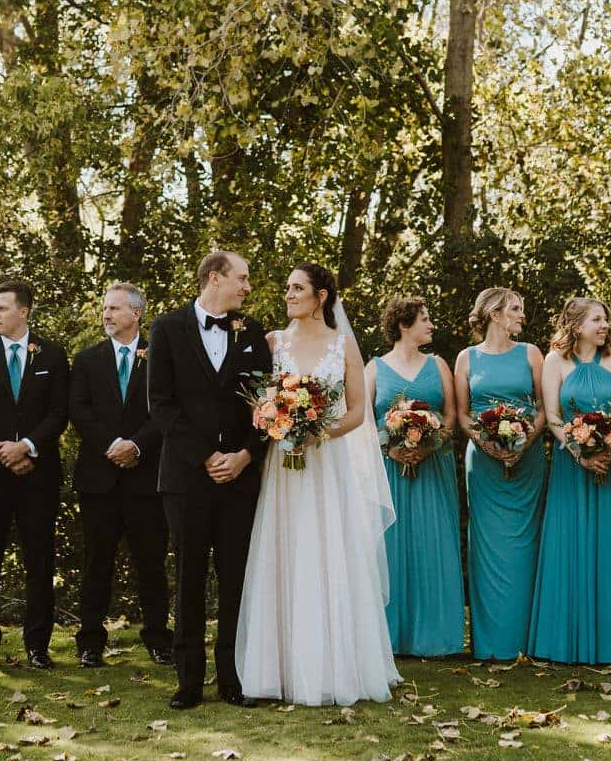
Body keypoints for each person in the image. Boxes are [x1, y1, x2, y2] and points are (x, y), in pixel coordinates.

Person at [237, 263, 400, 705]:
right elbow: (258, 401)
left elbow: (356, 412)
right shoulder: (273, 342)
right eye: (287, 287)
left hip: (327, 465)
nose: (288, 294)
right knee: (283, 552)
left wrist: (314, 434)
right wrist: (277, 424)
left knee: (328, 552)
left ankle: (333, 669)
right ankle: (275, 672)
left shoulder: (343, 345)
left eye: (297, 288)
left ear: (321, 296)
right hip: (282, 469)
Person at [146, 249, 273, 710]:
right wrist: (205, 456)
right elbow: (160, 404)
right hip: (185, 477)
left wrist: (243, 455)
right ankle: (188, 681)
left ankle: (233, 677)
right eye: (241, 278)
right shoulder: (166, 328)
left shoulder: (253, 333)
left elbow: (266, 405)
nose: (247, 287)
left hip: (239, 476)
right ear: (215, 278)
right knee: (190, 575)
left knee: (236, 576)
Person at [0, 278, 69, 670]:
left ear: (23, 311)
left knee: (39, 560)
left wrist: (28, 447)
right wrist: (6, 451)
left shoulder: (52, 356)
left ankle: (38, 645)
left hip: (39, 474)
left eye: (2, 308)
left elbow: (59, 413)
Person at [529, 297, 611, 664]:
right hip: (570, 465)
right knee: (569, 542)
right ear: (576, 325)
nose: (604, 326)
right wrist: (580, 450)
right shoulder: (555, 361)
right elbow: (551, 415)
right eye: (597, 319)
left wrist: (607, 445)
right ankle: (562, 642)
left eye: (606, 319)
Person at [68, 282, 172, 668]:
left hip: (147, 479)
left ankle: (159, 638)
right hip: (99, 477)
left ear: (136, 314)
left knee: (152, 564)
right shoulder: (87, 359)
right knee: (97, 563)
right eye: (105, 308)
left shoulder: (162, 357)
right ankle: (90, 641)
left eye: (114, 309)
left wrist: (137, 446)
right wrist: (112, 444)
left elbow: (165, 409)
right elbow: (79, 410)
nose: (107, 315)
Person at [366, 295, 465, 657]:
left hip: (433, 468)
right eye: (425, 319)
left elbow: (451, 415)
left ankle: (434, 636)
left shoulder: (438, 365)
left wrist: (429, 443)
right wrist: (389, 446)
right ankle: (389, 637)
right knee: (391, 547)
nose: (431, 325)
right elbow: (362, 421)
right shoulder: (374, 368)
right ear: (404, 324)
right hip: (388, 471)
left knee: (432, 544)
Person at [454, 287, 547, 662]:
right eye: (515, 309)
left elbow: (543, 407)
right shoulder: (466, 358)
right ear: (494, 314)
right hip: (484, 463)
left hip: (528, 460)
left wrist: (524, 442)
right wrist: (485, 441)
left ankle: (528, 638)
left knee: (526, 544)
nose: (521, 315)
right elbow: (462, 412)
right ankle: (489, 642)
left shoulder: (531, 354)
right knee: (487, 547)